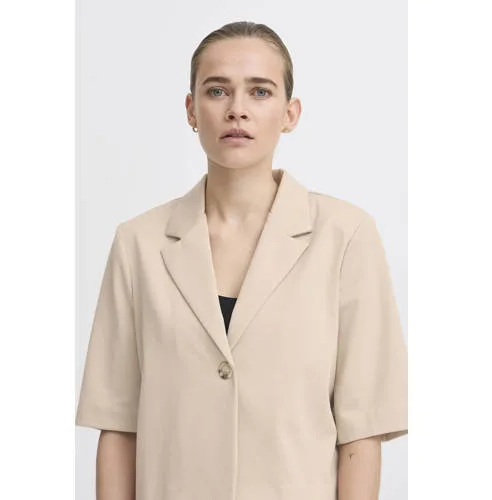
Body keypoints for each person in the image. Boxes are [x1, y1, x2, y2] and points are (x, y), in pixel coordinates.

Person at [76, 21, 408, 500]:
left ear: (290, 113)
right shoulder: (138, 244)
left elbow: (361, 431)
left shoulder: (346, 237)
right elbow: (118, 426)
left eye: (260, 91)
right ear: (191, 110)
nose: (237, 109)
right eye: (217, 90)